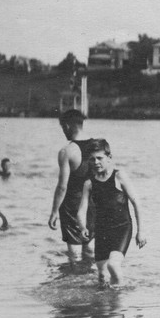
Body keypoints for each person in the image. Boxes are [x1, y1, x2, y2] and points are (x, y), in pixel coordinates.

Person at [77, 139, 146, 288]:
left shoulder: (119, 176)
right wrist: (83, 227)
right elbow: (82, 209)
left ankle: (118, 302)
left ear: (109, 157)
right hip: (101, 230)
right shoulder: (89, 184)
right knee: (102, 276)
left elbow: (136, 203)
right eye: (92, 159)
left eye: (99, 158)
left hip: (122, 228)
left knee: (113, 265)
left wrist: (140, 232)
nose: (96, 162)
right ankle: (105, 305)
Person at [48, 109, 97, 266]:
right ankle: (92, 282)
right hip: (94, 202)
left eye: (63, 128)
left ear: (68, 126)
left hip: (73, 206)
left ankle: (74, 286)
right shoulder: (99, 146)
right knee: (90, 250)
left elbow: (62, 187)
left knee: (74, 256)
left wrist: (54, 212)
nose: (63, 132)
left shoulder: (67, 151)